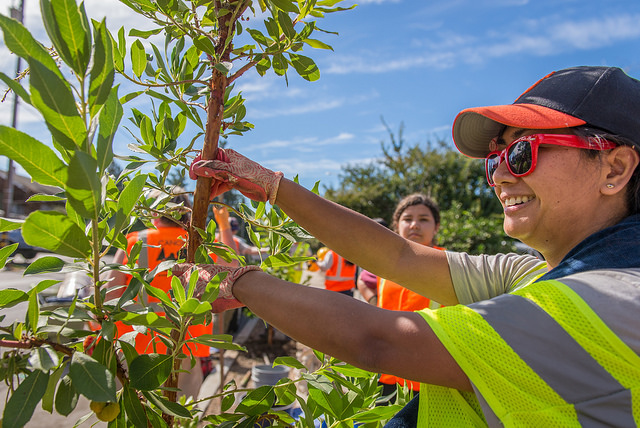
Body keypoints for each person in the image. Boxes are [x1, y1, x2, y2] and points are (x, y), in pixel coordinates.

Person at [178, 66, 640, 426]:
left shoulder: (610, 300)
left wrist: (239, 282)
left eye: (523, 152)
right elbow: (397, 255)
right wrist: (273, 187)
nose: (499, 175)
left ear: (615, 169)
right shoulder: (543, 274)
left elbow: (377, 341)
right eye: (497, 158)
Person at [105, 189, 236, 399]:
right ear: (188, 214)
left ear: (156, 212)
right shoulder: (198, 242)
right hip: (184, 345)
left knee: (135, 412)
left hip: (136, 344)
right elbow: (233, 268)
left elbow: (110, 298)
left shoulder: (133, 240)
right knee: (178, 412)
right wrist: (224, 225)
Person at [373, 194, 445, 395]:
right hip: (385, 370)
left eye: (423, 219)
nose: (414, 225)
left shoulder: (448, 265)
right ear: (396, 225)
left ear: (436, 226)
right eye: (407, 219)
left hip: (427, 377)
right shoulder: (383, 264)